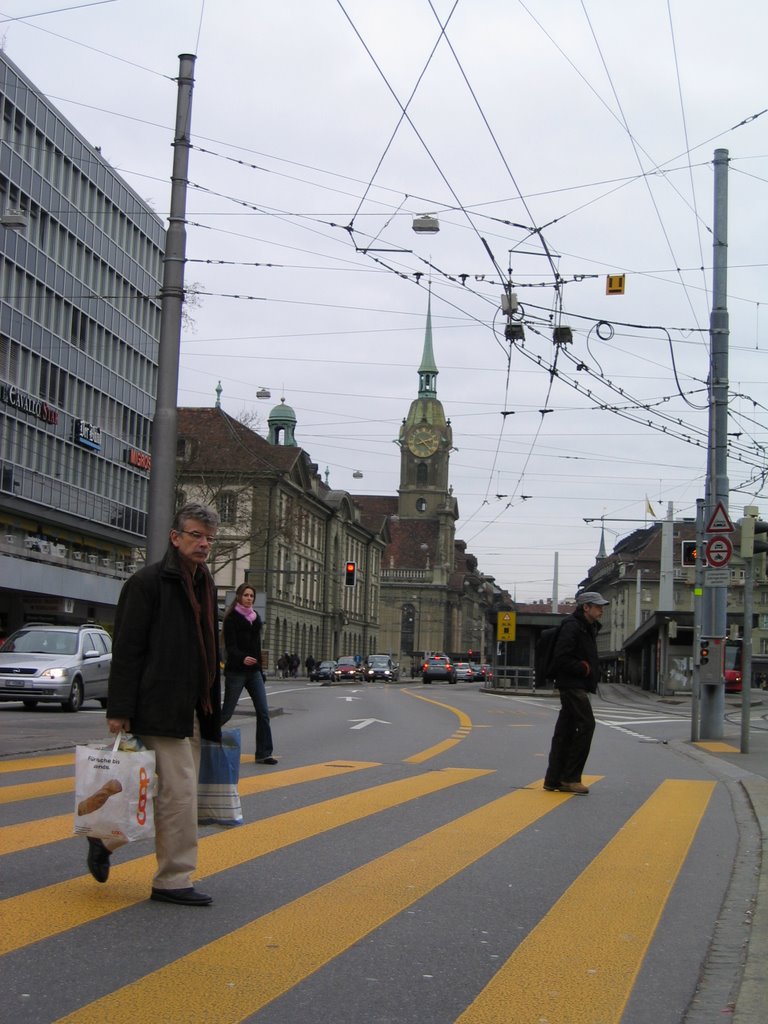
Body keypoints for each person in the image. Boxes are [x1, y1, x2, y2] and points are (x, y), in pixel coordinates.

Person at [85, 502, 222, 906]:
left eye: (209, 538)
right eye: (196, 535)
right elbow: (127, 649)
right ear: (175, 537)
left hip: (193, 706)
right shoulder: (147, 583)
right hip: (157, 704)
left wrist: (212, 702)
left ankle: (105, 842)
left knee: (147, 792)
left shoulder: (204, 582)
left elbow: (207, 648)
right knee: (179, 797)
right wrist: (119, 710)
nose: (203, 544)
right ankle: (173, 881)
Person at [543, 590, 608, 795]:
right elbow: (561, 657)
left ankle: (554, 779)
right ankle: (571, 778)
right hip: (572, 684)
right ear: (585, 607)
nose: (601, 610)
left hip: (575, 684)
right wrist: (584, 668)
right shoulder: (573, 627)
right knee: (586, 725)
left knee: (565, 731)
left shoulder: (586, 627)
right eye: (598, 607)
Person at [221, 582, 277, 765]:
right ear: (239, 597)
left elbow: (257, 647)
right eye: (246, 595)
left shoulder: (256, 618)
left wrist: (260, 670)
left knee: (263, 712)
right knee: (227, 712)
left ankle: (264, 753)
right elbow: (230, 647)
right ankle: (204, 741)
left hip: (253, 672)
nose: (249, 598)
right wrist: (242, 658)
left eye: (251, 596)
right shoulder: (231, 619)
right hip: (236, 671)